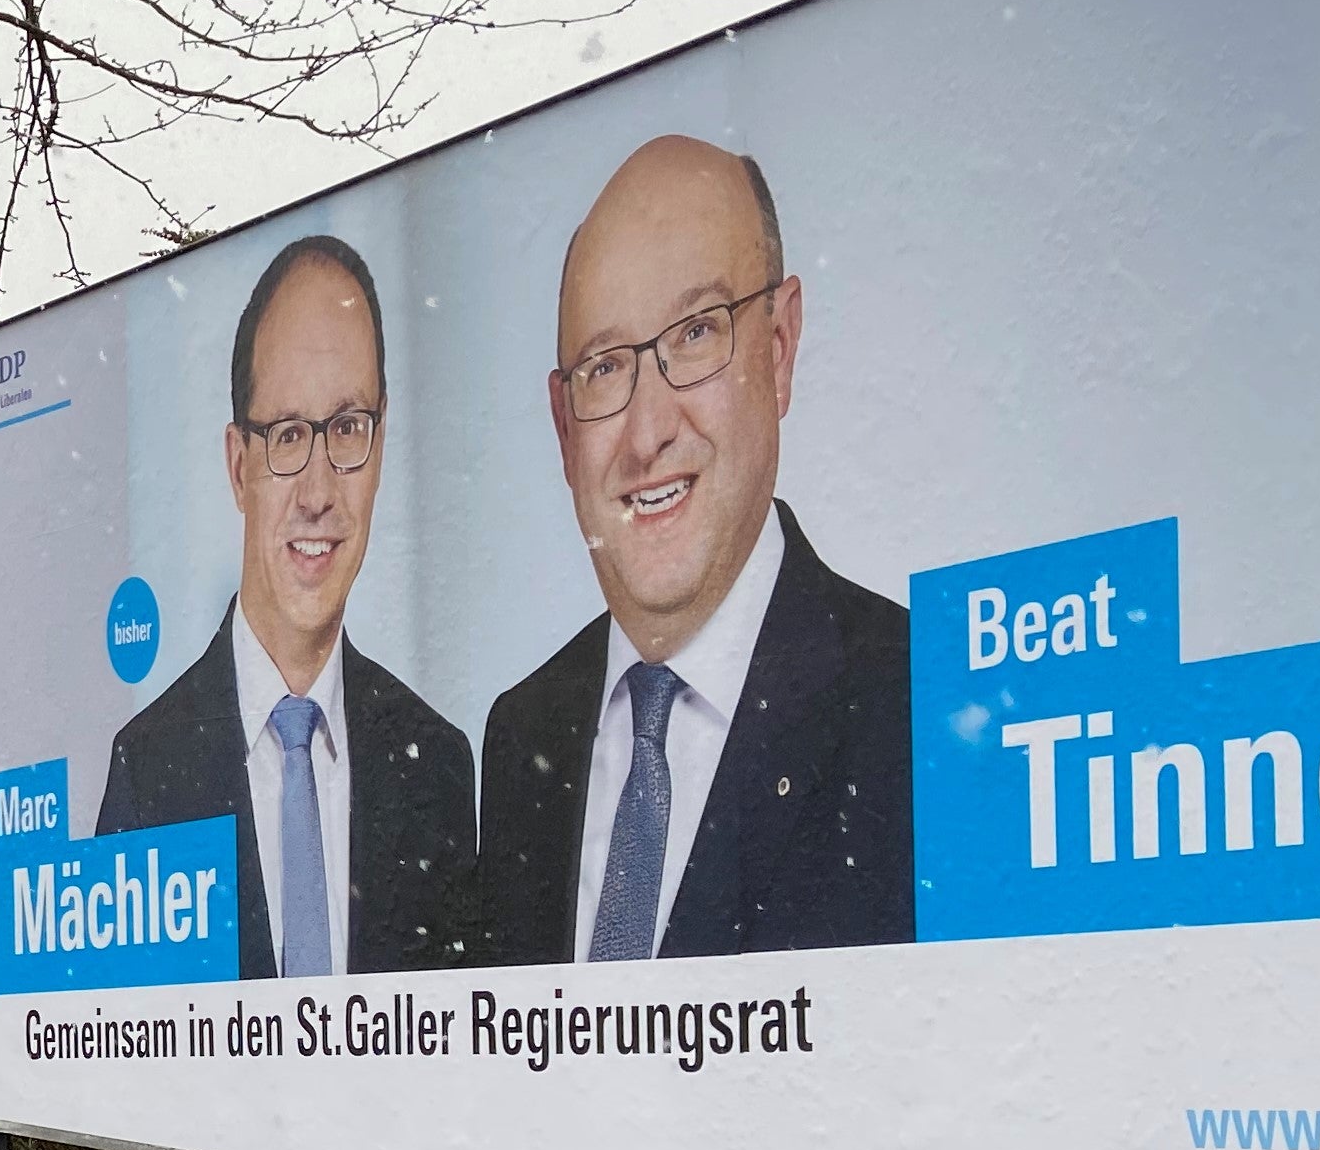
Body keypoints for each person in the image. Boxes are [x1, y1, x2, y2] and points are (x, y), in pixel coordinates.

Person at [472, 135, 909, 963]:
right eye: (604, 369)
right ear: (564, 429)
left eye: (696, 334)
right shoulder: (522, 736)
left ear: (778, 348)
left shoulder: (911, 709)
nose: (647, 432)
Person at [95, 231, 476, 974]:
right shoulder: (150, 766)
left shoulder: (438, 767)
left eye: (347, 429)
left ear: (381, 442)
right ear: (240, 467)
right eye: (289, 435)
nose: (319, 491)